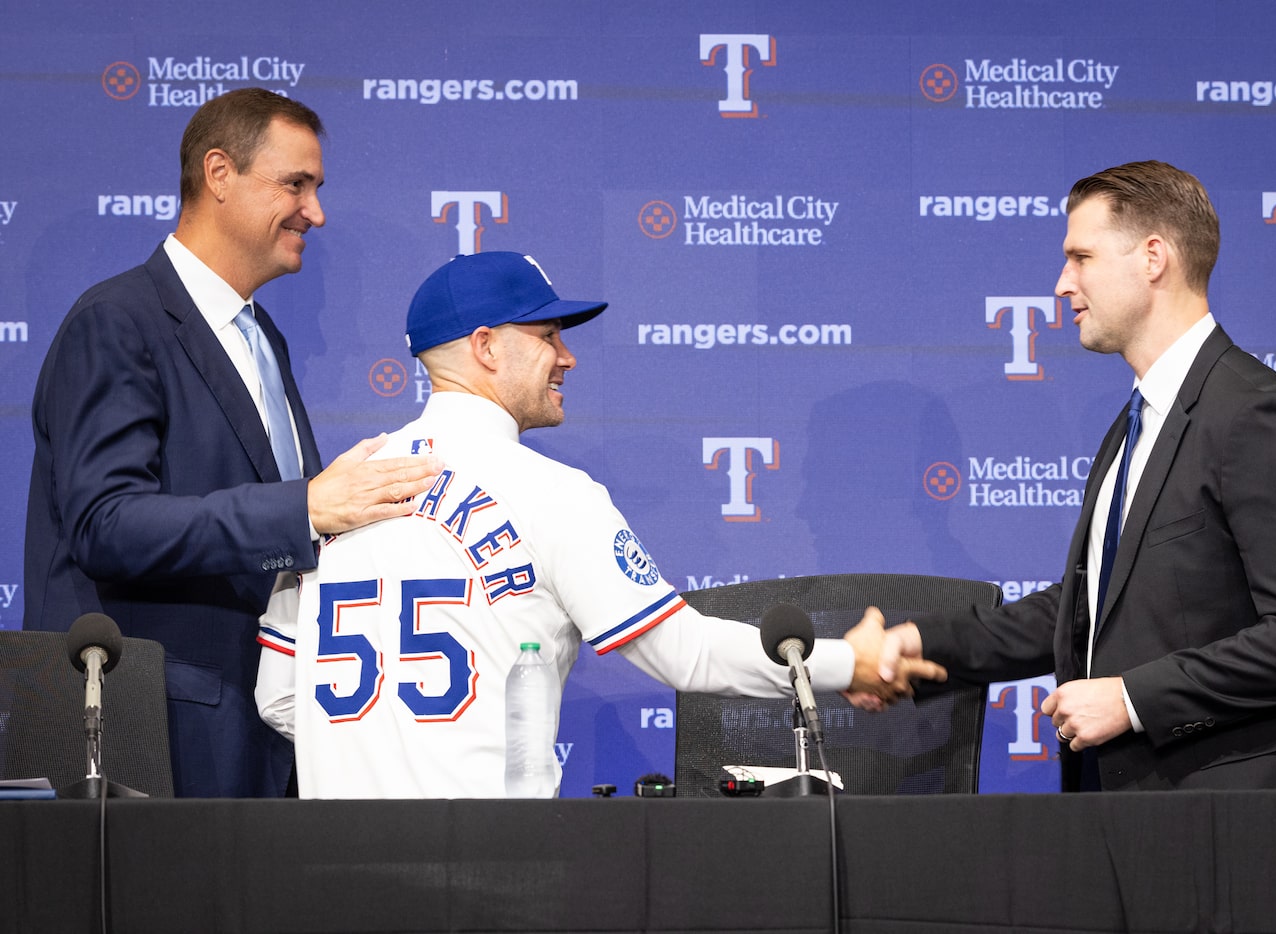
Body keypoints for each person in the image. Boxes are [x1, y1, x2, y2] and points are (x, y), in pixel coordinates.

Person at [254, 251, 936, 798]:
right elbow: (681, 650)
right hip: (495, 871)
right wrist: (850, 660)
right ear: (486, 347)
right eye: (548, 336)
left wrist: (381, 759)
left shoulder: (333, 494)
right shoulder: (551, 492)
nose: (568, 356)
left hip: (334, 869)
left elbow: (279, 695)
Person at [877, 160, 1276, 791]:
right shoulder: (1136, 423)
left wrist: (1133, 699)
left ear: (1153, 258)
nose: (1061, 284)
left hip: (1239, 820)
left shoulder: (1254, 415)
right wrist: (919, 646)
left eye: (1081, 257)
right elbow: (1087, 609)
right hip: (1136, 810)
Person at [24, 88, 441, 798]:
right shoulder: (117, 322)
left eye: (316, 188)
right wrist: (304, 509)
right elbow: (106, 523)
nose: (316, 211)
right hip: (147, 735)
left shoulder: (260, 338)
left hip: (259, 734)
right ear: (219, 173)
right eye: (295, 184)